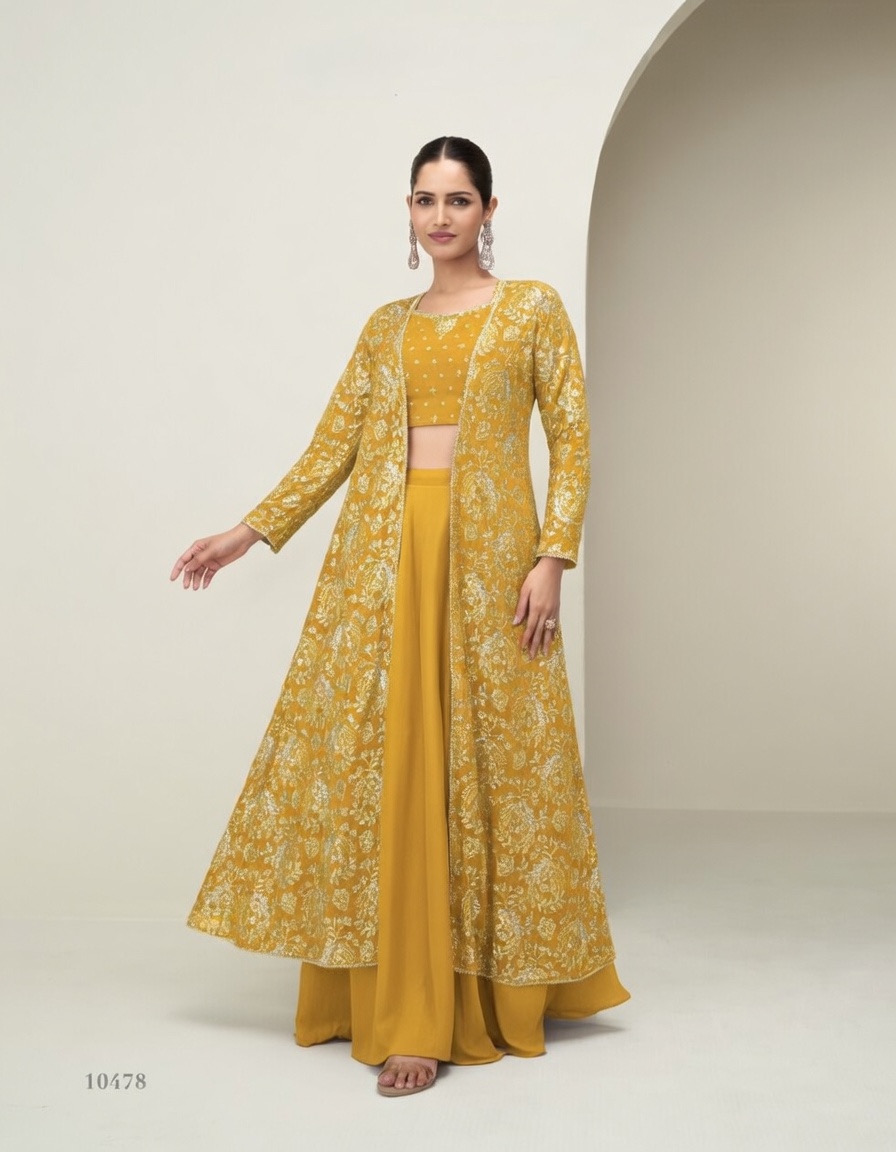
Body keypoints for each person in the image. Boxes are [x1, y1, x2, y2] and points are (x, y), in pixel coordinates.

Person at [170, 135, 630, 1098]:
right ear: (409, 211)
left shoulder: (531, 308)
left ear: (489, 210)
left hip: (491, 567)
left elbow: (574, 438)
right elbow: (332, 447)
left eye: (458, 199)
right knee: (391, 771)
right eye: (425, 199)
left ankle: (484, 992)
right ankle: (406, 1010)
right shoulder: (386, 327)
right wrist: (246, 533)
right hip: (381, 567)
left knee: (491, 769)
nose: (440, 217)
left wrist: (553, 556)